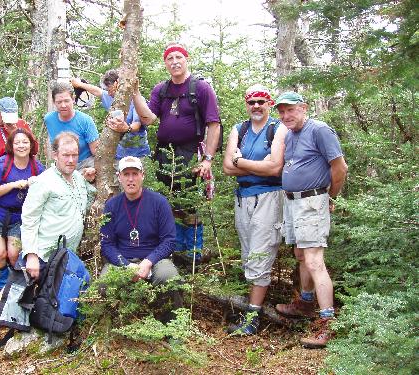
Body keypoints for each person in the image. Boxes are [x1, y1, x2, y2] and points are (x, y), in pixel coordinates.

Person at [0, 132, 96, 369]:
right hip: (41, 255)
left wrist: (91, 178)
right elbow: (28, 219)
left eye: (74, 155)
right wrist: (32, 255)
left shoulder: (77, 180)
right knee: (9, 297)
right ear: (54, 155)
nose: (70, 159)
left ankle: (59, 336)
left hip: (65, 260)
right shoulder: (43, 181)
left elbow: (90, 196)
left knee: (52, 300)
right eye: (65, 155)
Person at [132, 42, 221, 261]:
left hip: (192, 154)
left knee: (191, 206)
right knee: (168, 204)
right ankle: (171, 252)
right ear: (165, 63)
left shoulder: (200, 88)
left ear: (186, 59)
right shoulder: (161, 90)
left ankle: (192, 256)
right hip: (164, 155)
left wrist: (207, 160)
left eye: (178, 57)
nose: (174, 62)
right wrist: (135, 94)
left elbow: (214, 124)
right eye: (169, 59)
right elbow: (149, 119)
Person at [274, 92, 348, 348]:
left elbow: (340, 168)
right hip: (293, 202)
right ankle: (305, 304)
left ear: (303, 108)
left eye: (290, 110)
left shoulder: (320, 130)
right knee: (301, 254)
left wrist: (330, 197)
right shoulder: (291, 135)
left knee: (315, 260)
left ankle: (328, 324)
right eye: (281, 112)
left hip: (312, 201)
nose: (286, 116)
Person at [222, 84, 288, 334]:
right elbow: (227, 168)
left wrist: (240, 161)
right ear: (246, 104)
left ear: (269, 104)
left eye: (261, 101)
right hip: (243, 198)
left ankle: (252, 319)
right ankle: (252, 310)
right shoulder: (239, 129)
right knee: (249, 252)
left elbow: (275, 168)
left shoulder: (277, 129)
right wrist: (257, 164)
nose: (257, 106)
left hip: (270, 196)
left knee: (261, 253)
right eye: (252, 102)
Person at [100, 156, 182, 309]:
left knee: (169, 277)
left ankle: (170, 326)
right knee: (104, 283)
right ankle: (117, 327)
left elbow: (169, 241)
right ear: (119, 177)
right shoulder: (111, 206)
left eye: (135, 174)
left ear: (142, 175)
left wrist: (148, 261)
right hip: (122, 260)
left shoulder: (159, 203)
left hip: (155, 260)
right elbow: (107, 244)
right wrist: (125, 264)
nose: (131, 179)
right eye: (126, 174)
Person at [0, 128, 45, 289]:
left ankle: (16, 286)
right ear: (11, 145)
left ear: (31, 145)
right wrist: (13, 185)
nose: (21, 146)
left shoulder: (37, 168)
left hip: (19, 218)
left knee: (14, 254)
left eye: (25, 142)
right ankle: (0, 287)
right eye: (17, 142)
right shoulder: (1, 164)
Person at [71, 69, 150, 164]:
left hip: (139, 153)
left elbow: (137, 125)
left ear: (117, 84)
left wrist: (126, 128)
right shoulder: (110, 97)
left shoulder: (137, 100)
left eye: (110, 89)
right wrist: (79, 84)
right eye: (106, 90)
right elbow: (96, 91)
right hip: (119, 154)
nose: (108, 93)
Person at [44, 81, 99, 172]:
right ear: (54, 102)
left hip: (84, 164)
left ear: (73, 99)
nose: (63, 105)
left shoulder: (85, 120)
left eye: (66, 101)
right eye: (59, 102)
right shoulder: (49, 119)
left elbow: (96, 151)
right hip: (61, 164)